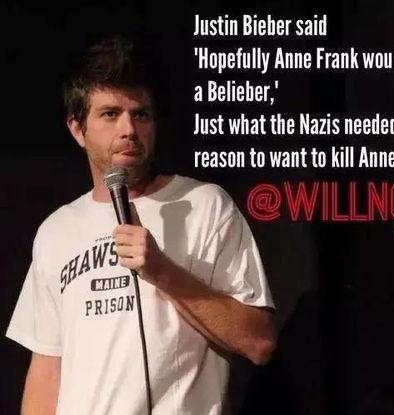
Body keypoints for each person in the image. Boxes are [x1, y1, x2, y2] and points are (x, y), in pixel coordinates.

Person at [5, 35, 275, 414]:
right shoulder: (57, 230)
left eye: (141, 114)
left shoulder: (205, 205)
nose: (129, 129)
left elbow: (259, 342)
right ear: (77, 129)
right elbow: (48, 370)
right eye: (110, 114)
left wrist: (162, 271)